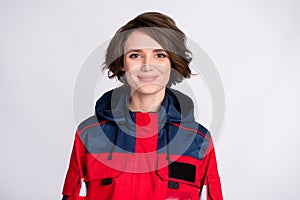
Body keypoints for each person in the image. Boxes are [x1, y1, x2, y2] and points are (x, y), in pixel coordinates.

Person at [62, 12, 223, 200]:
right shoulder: (90, 134)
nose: (147, 66)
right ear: (122, 63)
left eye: (160, 55)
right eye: (135, 55)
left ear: (172, 62)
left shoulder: (198, 140)